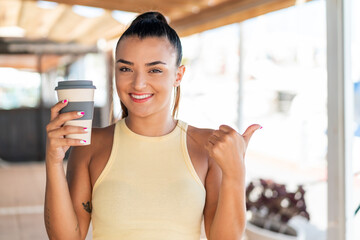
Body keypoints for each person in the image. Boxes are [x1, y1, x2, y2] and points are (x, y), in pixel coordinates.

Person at [44, 11, 261, 240]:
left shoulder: (207, 147)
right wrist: (53, 161)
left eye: (155, 70)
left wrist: (236, 172)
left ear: (178, 75)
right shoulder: (89, 145)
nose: (138, 84)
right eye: (125, 68)